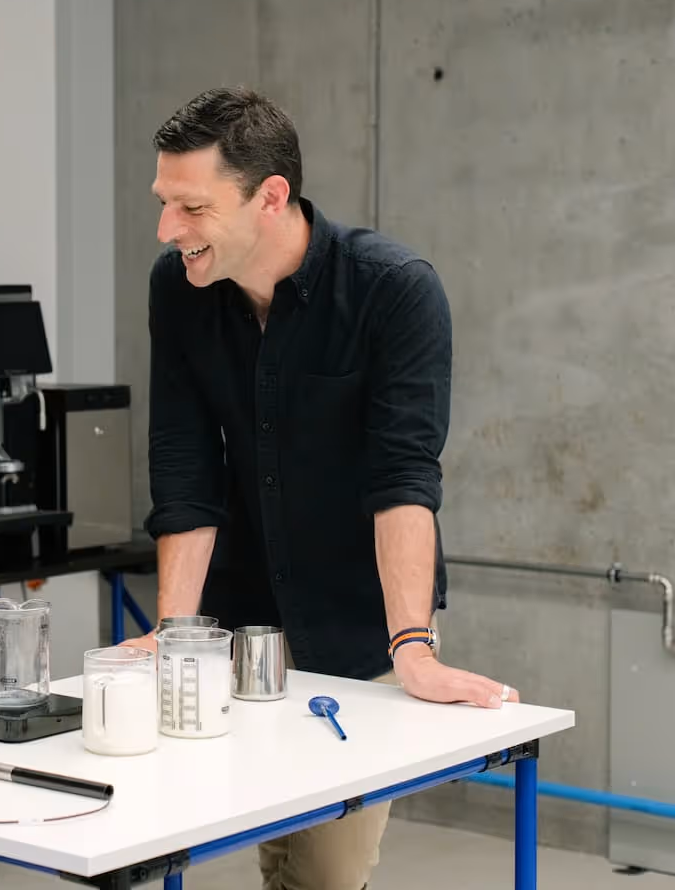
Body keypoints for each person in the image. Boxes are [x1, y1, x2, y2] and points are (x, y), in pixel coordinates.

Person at [126, 86, 519, 890]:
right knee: (153, 818)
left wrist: (412, 645)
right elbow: (184, 464)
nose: (169, 231)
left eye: (192, 208)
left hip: (353, 622)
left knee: (321, 875)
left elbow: (404, 477)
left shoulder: (394, 289)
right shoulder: (180, 287)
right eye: (165, 205)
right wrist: (173, 632)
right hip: (237, 617)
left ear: (271, 198)